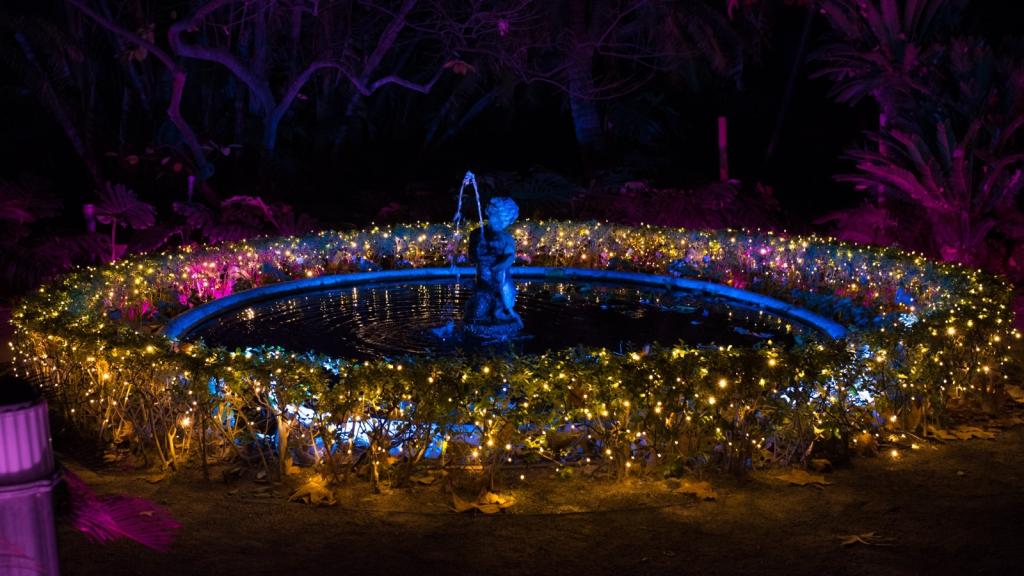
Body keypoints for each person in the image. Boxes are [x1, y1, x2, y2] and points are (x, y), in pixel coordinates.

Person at [466, 197, 523, 336]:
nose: (500, 222)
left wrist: (497, 267)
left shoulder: (505, 238)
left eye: (503, 220)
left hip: (499, 281)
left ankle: (503, 312)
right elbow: (472, 257)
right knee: (477, 312)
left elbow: (510, 257)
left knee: (498, 309)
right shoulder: (476, 234)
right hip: (482, 282)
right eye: (494, 215)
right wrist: (480, 251)